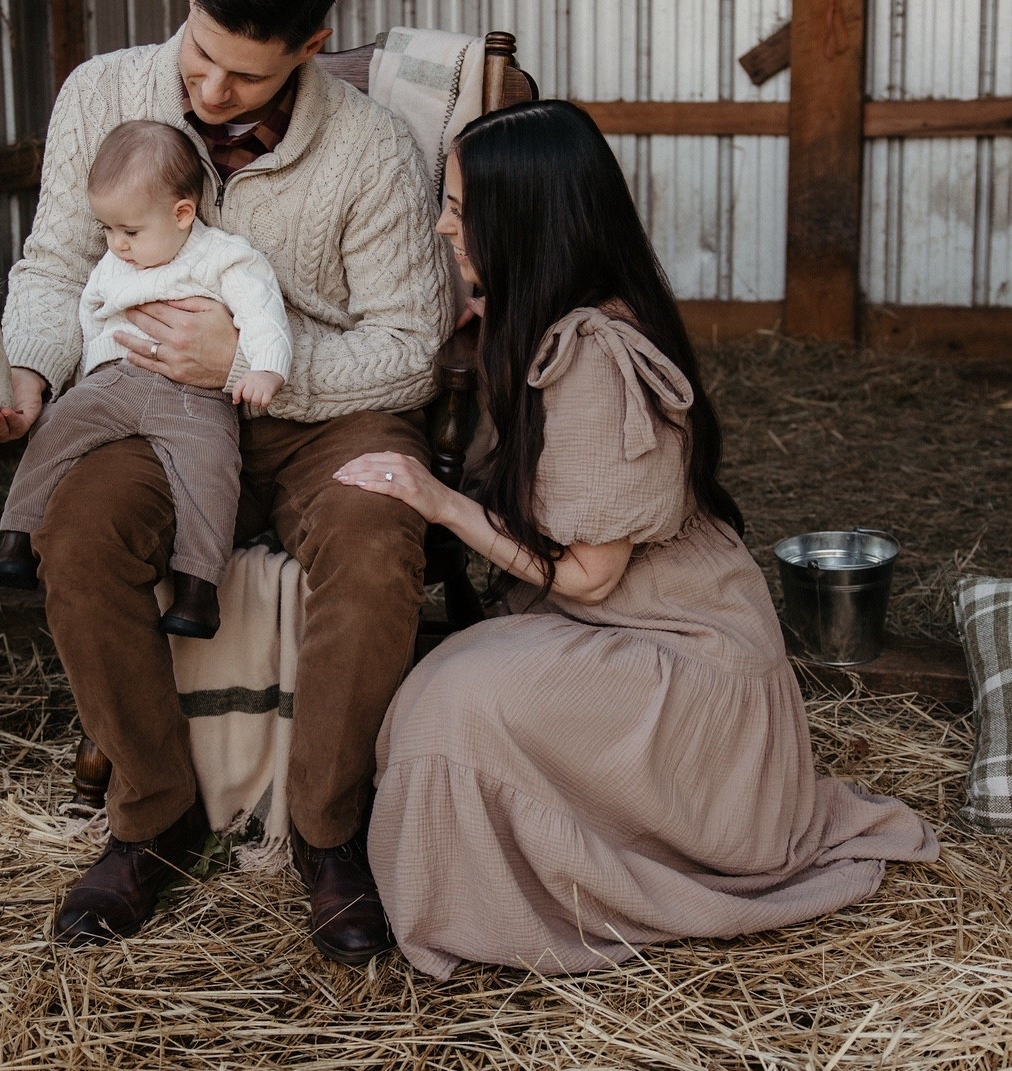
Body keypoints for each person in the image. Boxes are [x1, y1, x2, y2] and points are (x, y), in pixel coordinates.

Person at [336, 100, 938, 979]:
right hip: (627, 629)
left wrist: (441, 502)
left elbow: (584, 575)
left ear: (525, 219)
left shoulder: (594, 359)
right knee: (441, 687)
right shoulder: (539, 317)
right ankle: (469, 886)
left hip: (689, 666)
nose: (442, 224)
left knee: (457, 699)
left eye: (462, 210)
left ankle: (507, 909)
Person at [0, 0, 454, 965]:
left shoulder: (372, 147)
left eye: (245, 75)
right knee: (79, 528)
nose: (211, 92)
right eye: (201, 56)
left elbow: (412, 349)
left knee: (375, 544)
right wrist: (29, 370)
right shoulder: (100, 92)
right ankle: (154, 818)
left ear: (312, 47)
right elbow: (53, 262)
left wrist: (246, 361)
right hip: (151, 402)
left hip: (327, 415)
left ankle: (330, 834)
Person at [0, 120, 291, 640]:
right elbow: (91, 313)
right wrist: (86, 375)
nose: (117, 245)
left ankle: (198, 589)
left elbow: (263, 312)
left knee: (210, 472)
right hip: (115, 381)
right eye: (108, 230)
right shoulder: (114, 262)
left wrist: (265, 366)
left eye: (130, 232)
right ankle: (16, 536)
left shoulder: (225, 258)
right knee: (55, 433)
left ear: (182, 214)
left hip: (194, 395)